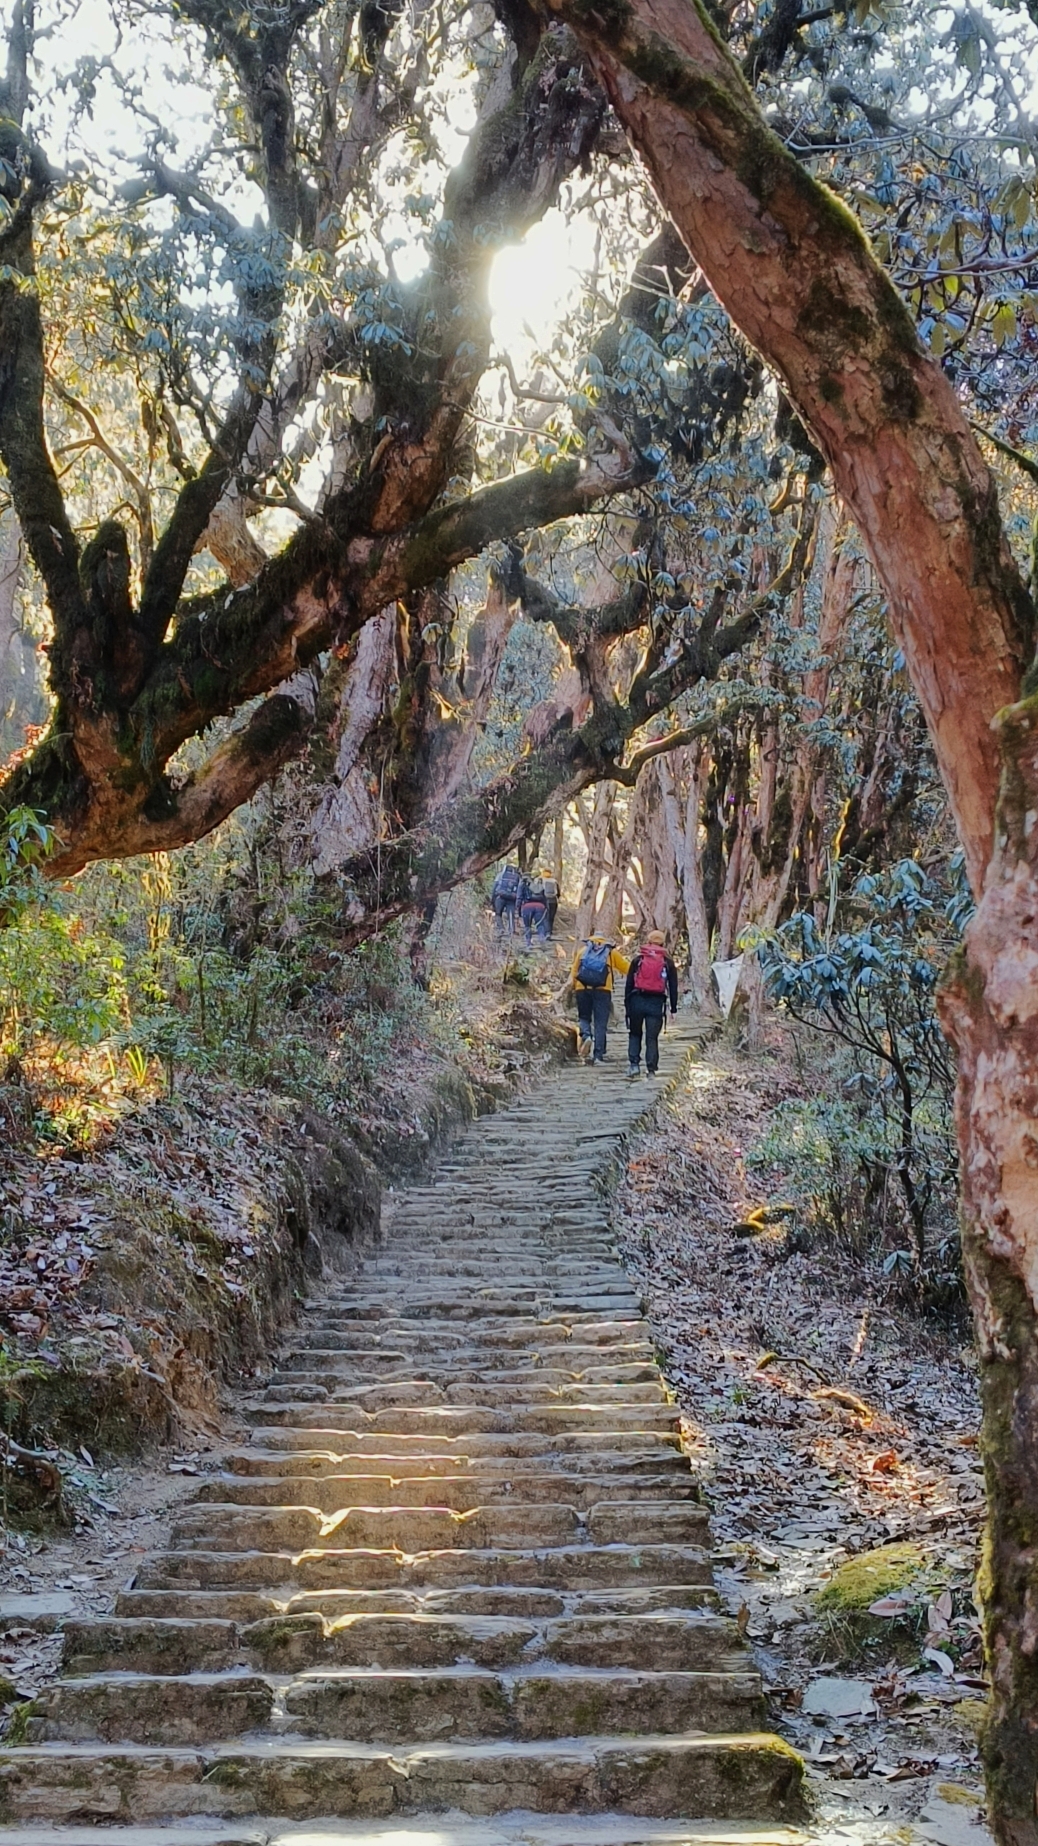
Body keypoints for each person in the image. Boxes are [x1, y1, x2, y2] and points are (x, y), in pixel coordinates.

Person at [624, 929, 678, 1078]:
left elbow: (629, 984)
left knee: (635, 1034)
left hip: (637, 1000)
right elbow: (673, 986)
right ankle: (651, 1070)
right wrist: (673, 1009)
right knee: (651, 1037)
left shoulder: (638, 959)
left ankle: (634, 1065)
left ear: (648, 941)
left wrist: (627, 1005)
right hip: (656, 1003)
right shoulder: (667, 961)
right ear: (662, 943)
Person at [569, 934, 630, 1063]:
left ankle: (586, 1036)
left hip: (582, 988)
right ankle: (598, 1055)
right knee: (600, 1023)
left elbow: (574, 971)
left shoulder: (583, 951)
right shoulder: (610, 952)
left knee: (584, 1017)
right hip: (603, 990)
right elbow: (626, 968)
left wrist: (575, 988)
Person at [518, 870, 548, 947]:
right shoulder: (539, 884)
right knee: (540, 925)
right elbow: (545, 897)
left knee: (527, 925)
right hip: (540, 906)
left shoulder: (523, 884)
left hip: (527, 906)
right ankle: (541, 938)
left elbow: (519, 897)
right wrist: (546, 907)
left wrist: (518, 910)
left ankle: (528, 943)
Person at [491, 863, 520, 936]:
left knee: (498, 913)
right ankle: (512, 930)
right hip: (511, 898)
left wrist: (492, 899)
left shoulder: (500, 875)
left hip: (500, 897)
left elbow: (495, 887)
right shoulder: (517, 876)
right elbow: (519, 889)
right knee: (510, 914)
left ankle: (501, 929)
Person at [541, 869, 560, 936]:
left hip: (544, 900)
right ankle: (550, 931)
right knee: (551, 917)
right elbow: (558, 893)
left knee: (545, 917)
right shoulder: (554, 881)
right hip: (554, 901)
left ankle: (546, 932)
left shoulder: (541, 880)